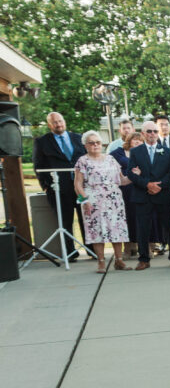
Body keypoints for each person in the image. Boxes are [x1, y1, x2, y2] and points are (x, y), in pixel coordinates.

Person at [127, 121, 170, 270]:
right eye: (149, 131)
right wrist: (147, 185)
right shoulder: (136, 152)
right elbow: (130, 172)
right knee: (143, 229)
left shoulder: (168, 151)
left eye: (155, 131)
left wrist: (159, 185)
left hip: (163, 195)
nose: (152, 134)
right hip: (142, 196)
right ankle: (144, 259)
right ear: (143, 134)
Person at [33, 112, 87, 260]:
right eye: (55, 122)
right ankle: (70, 253)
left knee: (86, 219)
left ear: (64, 121)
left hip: (81, 187)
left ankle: (91, 250)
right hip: (59, 189)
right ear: (50, 125)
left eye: (60, 121)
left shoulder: (78, 138)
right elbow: (38, 166)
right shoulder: (42, 142)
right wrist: (46, 186)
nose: (58, 124)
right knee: (65, 221)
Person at [74, 130, 130, 272]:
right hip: (92, 201)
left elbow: (122, 180)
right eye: (91, 143)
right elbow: (77, 184)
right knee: (96, 231)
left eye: (98, 142)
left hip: (114, 200)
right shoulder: (82, 161)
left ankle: (119, 261)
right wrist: (84, 200)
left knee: (117, 230)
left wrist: (134, 176)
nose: (95, 145)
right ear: (85, 145)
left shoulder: (111, 159)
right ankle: (101, 262)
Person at [110, 131, 144, 258]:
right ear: (129, 141)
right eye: (134, 139)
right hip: (124, 190)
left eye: (140, 140)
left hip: (140, 189)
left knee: (140, 218)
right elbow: (110, 163)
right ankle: (128, 248)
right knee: (126, 217)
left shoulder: (144, 154)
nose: (137, 142)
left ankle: (143, 248)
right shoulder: (117, 153)